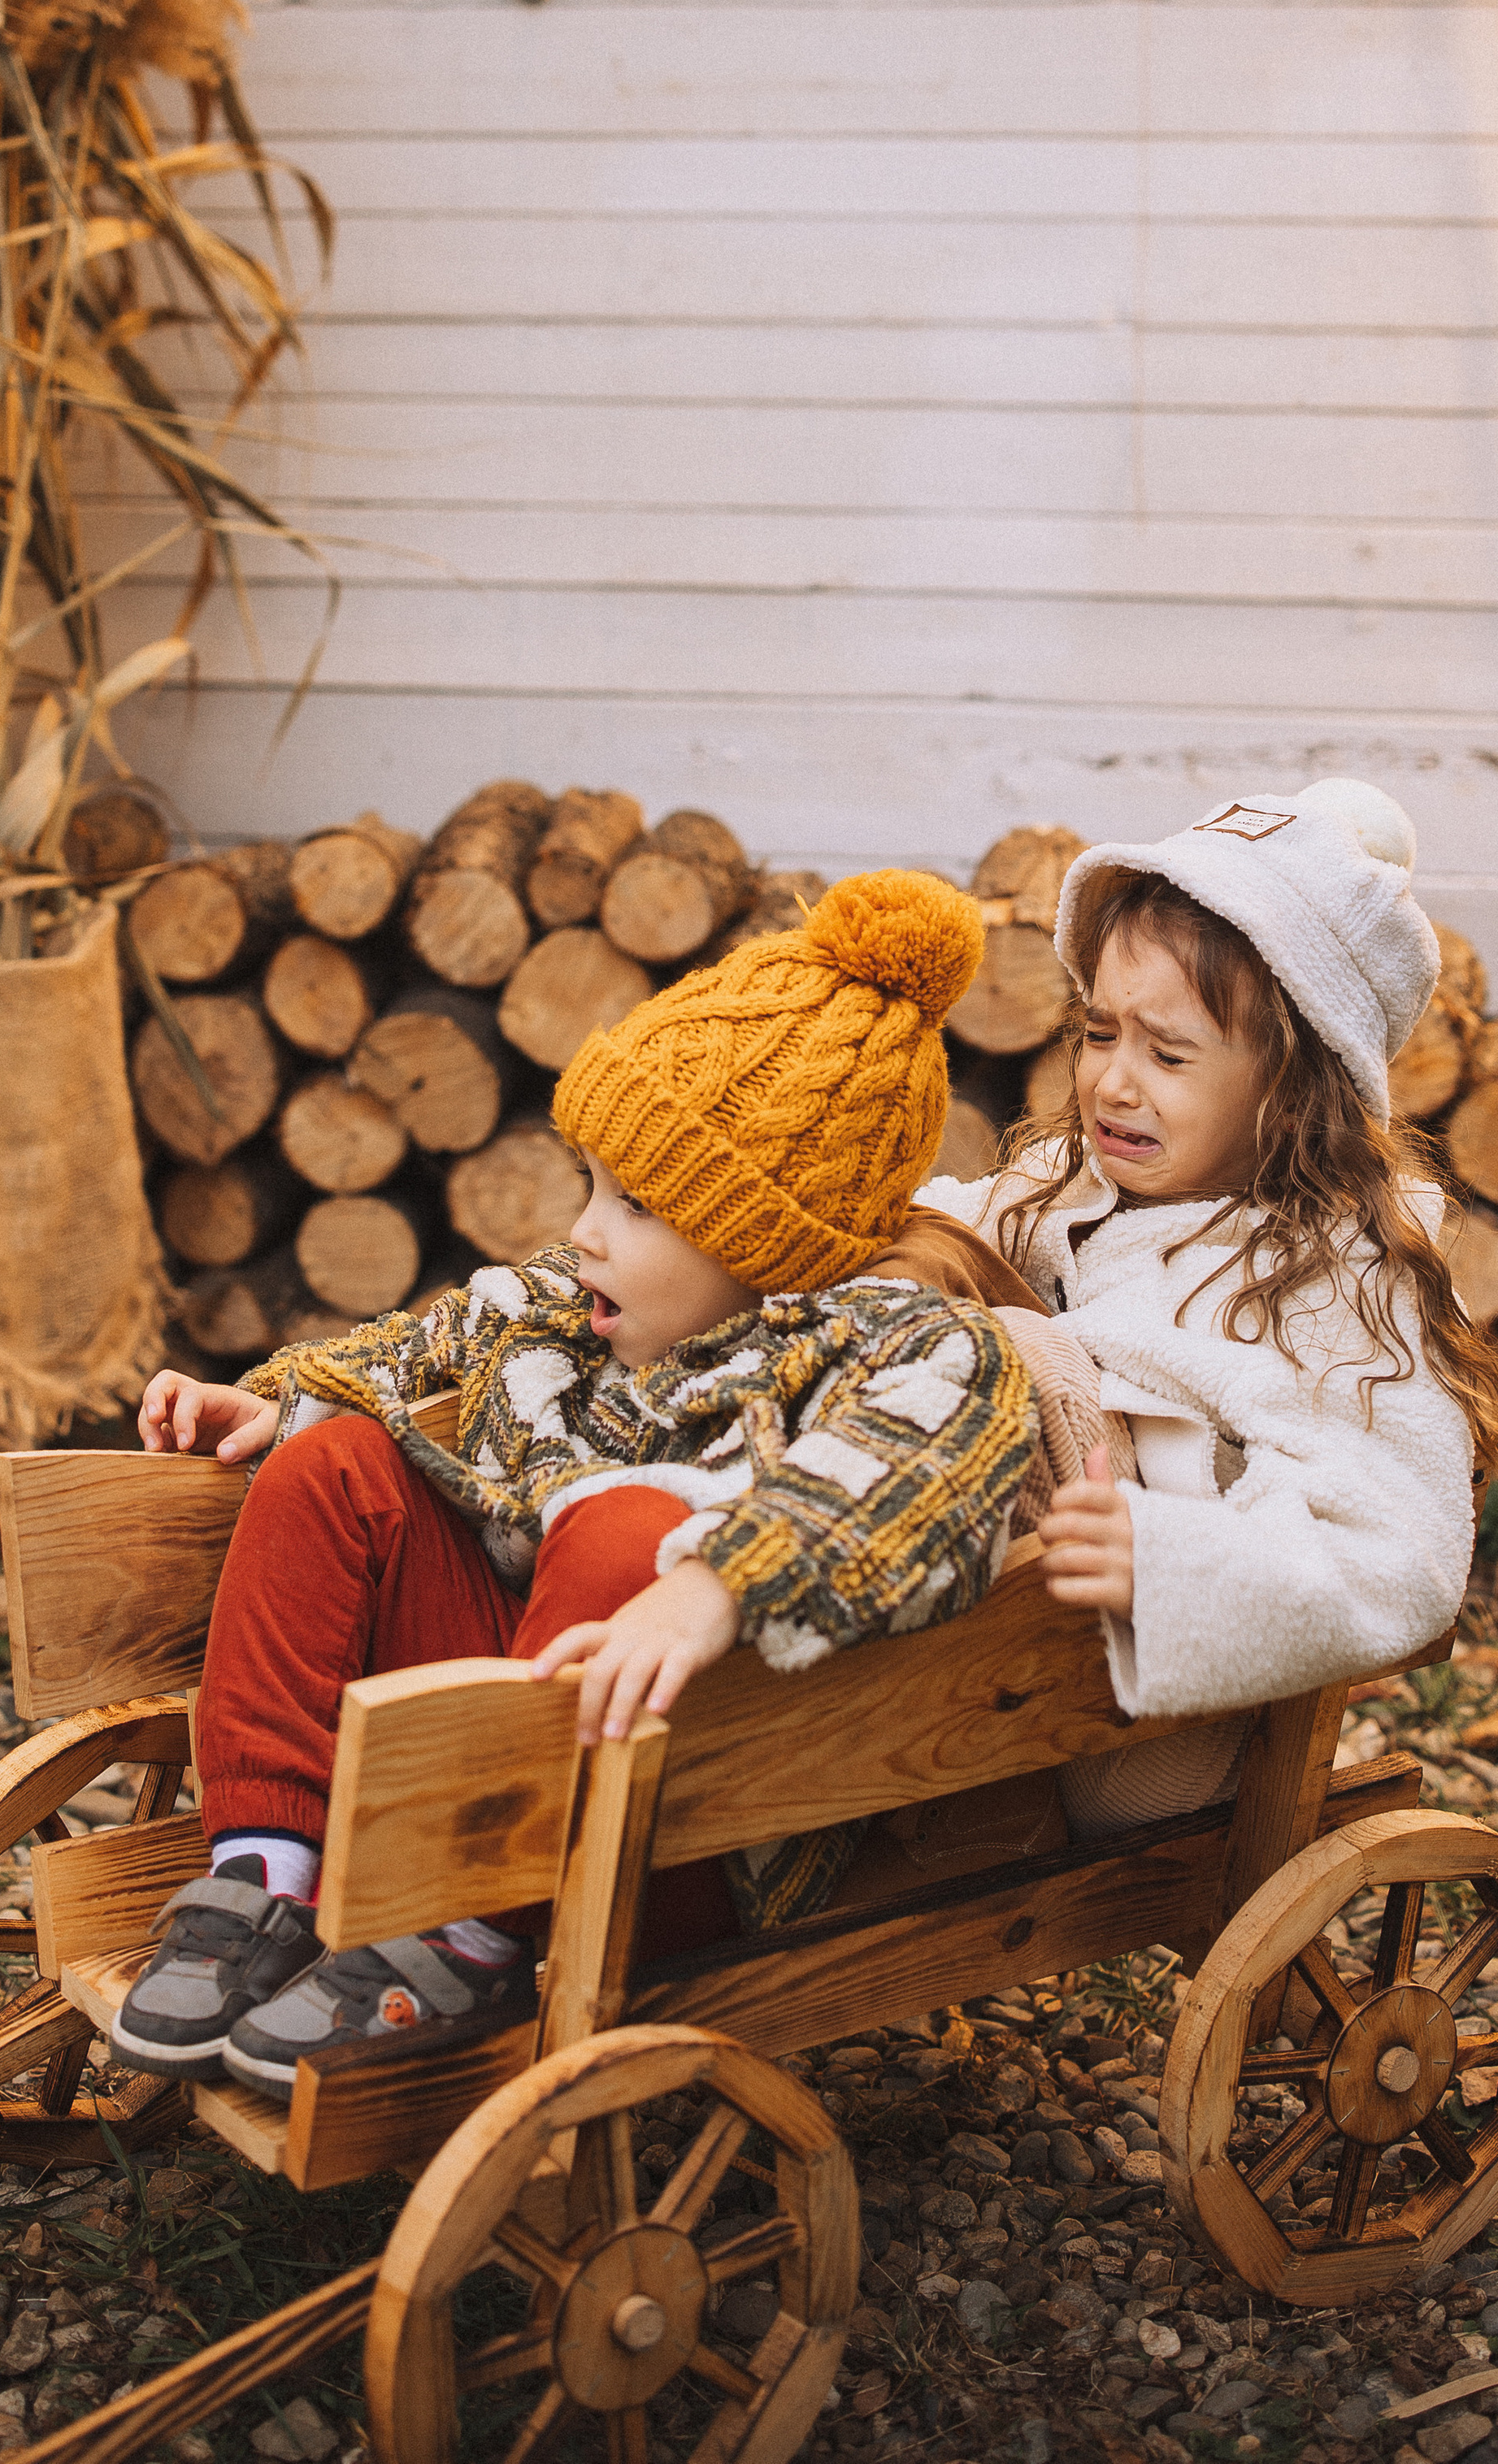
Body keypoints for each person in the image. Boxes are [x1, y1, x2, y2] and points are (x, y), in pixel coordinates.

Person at [108, 870, 1035, 2097]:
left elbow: (916, 1487)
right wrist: (277, 1403)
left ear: (766, 1241)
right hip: (513, 1742)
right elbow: (420, 1347)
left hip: (680, 1808)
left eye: (637, 1204)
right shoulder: (570, 1305)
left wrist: (716, 1584)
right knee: (336, 1463)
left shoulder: (902, 1352)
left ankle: (472, 1931)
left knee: (626, 1528)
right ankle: (271, 1865)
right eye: (590, 1182)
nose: (585, 1229)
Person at [920, 779, 1498, 1837]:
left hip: (1149, 1721)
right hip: (1002, 1660)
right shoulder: (1072, 1186)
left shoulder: (1340, 1278)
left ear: (1292, 1087)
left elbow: (1404, 1558)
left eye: (1170, 1054)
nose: (1112, 1083)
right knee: (917, 1261)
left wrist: (1178, 1561)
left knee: (1011, 1354)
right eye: (1100, 1035)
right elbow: (945, 1227)